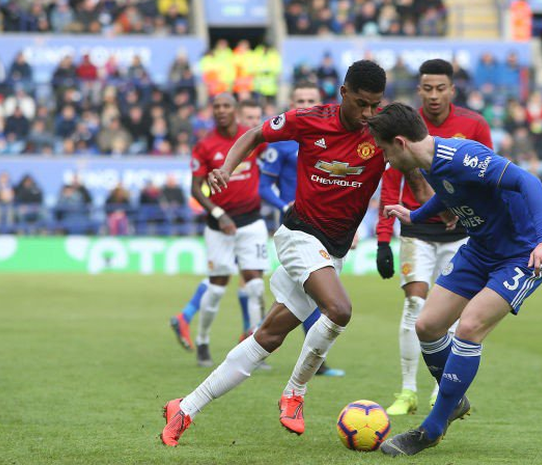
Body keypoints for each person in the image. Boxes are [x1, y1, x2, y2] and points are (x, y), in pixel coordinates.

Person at [161, 60, 402, 446]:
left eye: (375, 105)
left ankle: (184, 408)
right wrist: (225, 166)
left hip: (332, 250)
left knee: (268, 337)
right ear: (343, 93)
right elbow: (255, 134)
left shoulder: (381, 131)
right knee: (339, 310)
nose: (367, 114)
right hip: (299, 236)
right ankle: (294, 393)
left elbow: (415, 161)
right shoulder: (310, 120)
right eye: (361, 104)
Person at [365, 102, 542, 456]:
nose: (385, 159)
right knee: (427, 325)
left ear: (400, 142)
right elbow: (451, 192)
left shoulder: (461, 155)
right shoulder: (432, 163)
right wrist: (417, 214)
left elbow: (526, 181)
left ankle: (432, 427)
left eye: (384, 149)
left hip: (520, 254)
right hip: (480, 249)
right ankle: (453, 400)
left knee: (468, 328)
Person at [376, 58, 493, 415]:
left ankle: (442, 391)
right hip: (416, 229)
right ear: (419, 90)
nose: (434, 95)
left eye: (440, 88)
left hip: (461, 234)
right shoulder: (407, 125)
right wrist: (383, 238)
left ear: (452, 90)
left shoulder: (474, 124)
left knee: (452, 315)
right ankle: (407, 390)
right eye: (427, 88)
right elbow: (392, 178)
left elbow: (490, 176)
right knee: (414, 305)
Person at [169, 93, 268, 368]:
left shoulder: (251, 138)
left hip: (252, 221)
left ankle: (254, 348)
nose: (221, 110)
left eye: (226, 106)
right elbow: (194, 189)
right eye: (217, 107)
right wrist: (218, 213)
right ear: (212, 111)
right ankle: (202, 340)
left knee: (256, 285)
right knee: (216, 289)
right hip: (218, 227)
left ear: (235, 110)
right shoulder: (205, 145)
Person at [259, 80, 345, 377]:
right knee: (311, 295)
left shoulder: (332, 137)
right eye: (300, 99)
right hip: (294, 226)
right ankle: (313, 364)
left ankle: (255, 344)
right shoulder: (281, 143)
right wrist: (284, 205)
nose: (305, 104)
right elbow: (263, 186)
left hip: (324, 225)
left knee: (297, 296)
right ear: (291, 102)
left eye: (311, 98)